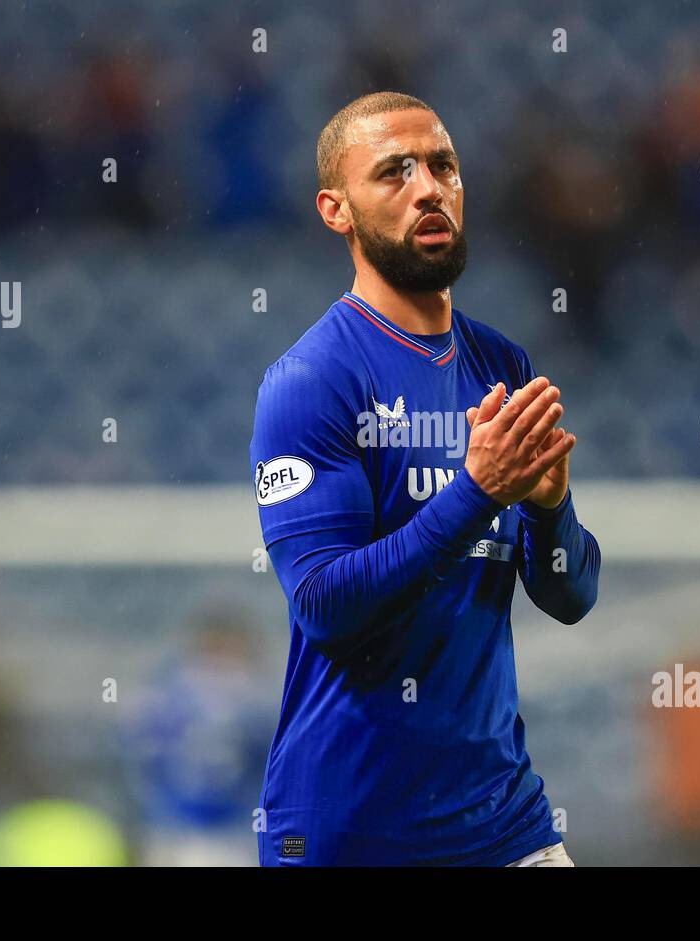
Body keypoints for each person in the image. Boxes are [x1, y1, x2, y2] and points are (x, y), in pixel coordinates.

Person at [249, 91, 600, 866]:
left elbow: (570, 595)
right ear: (336, 211)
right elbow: (327, 605)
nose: (429, 187)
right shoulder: (312, 380)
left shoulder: (502, 366)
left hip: (505, 826)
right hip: (351, 832)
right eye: (394, 172)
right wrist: (477, 495)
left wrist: (549, 509)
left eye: (443, 165)